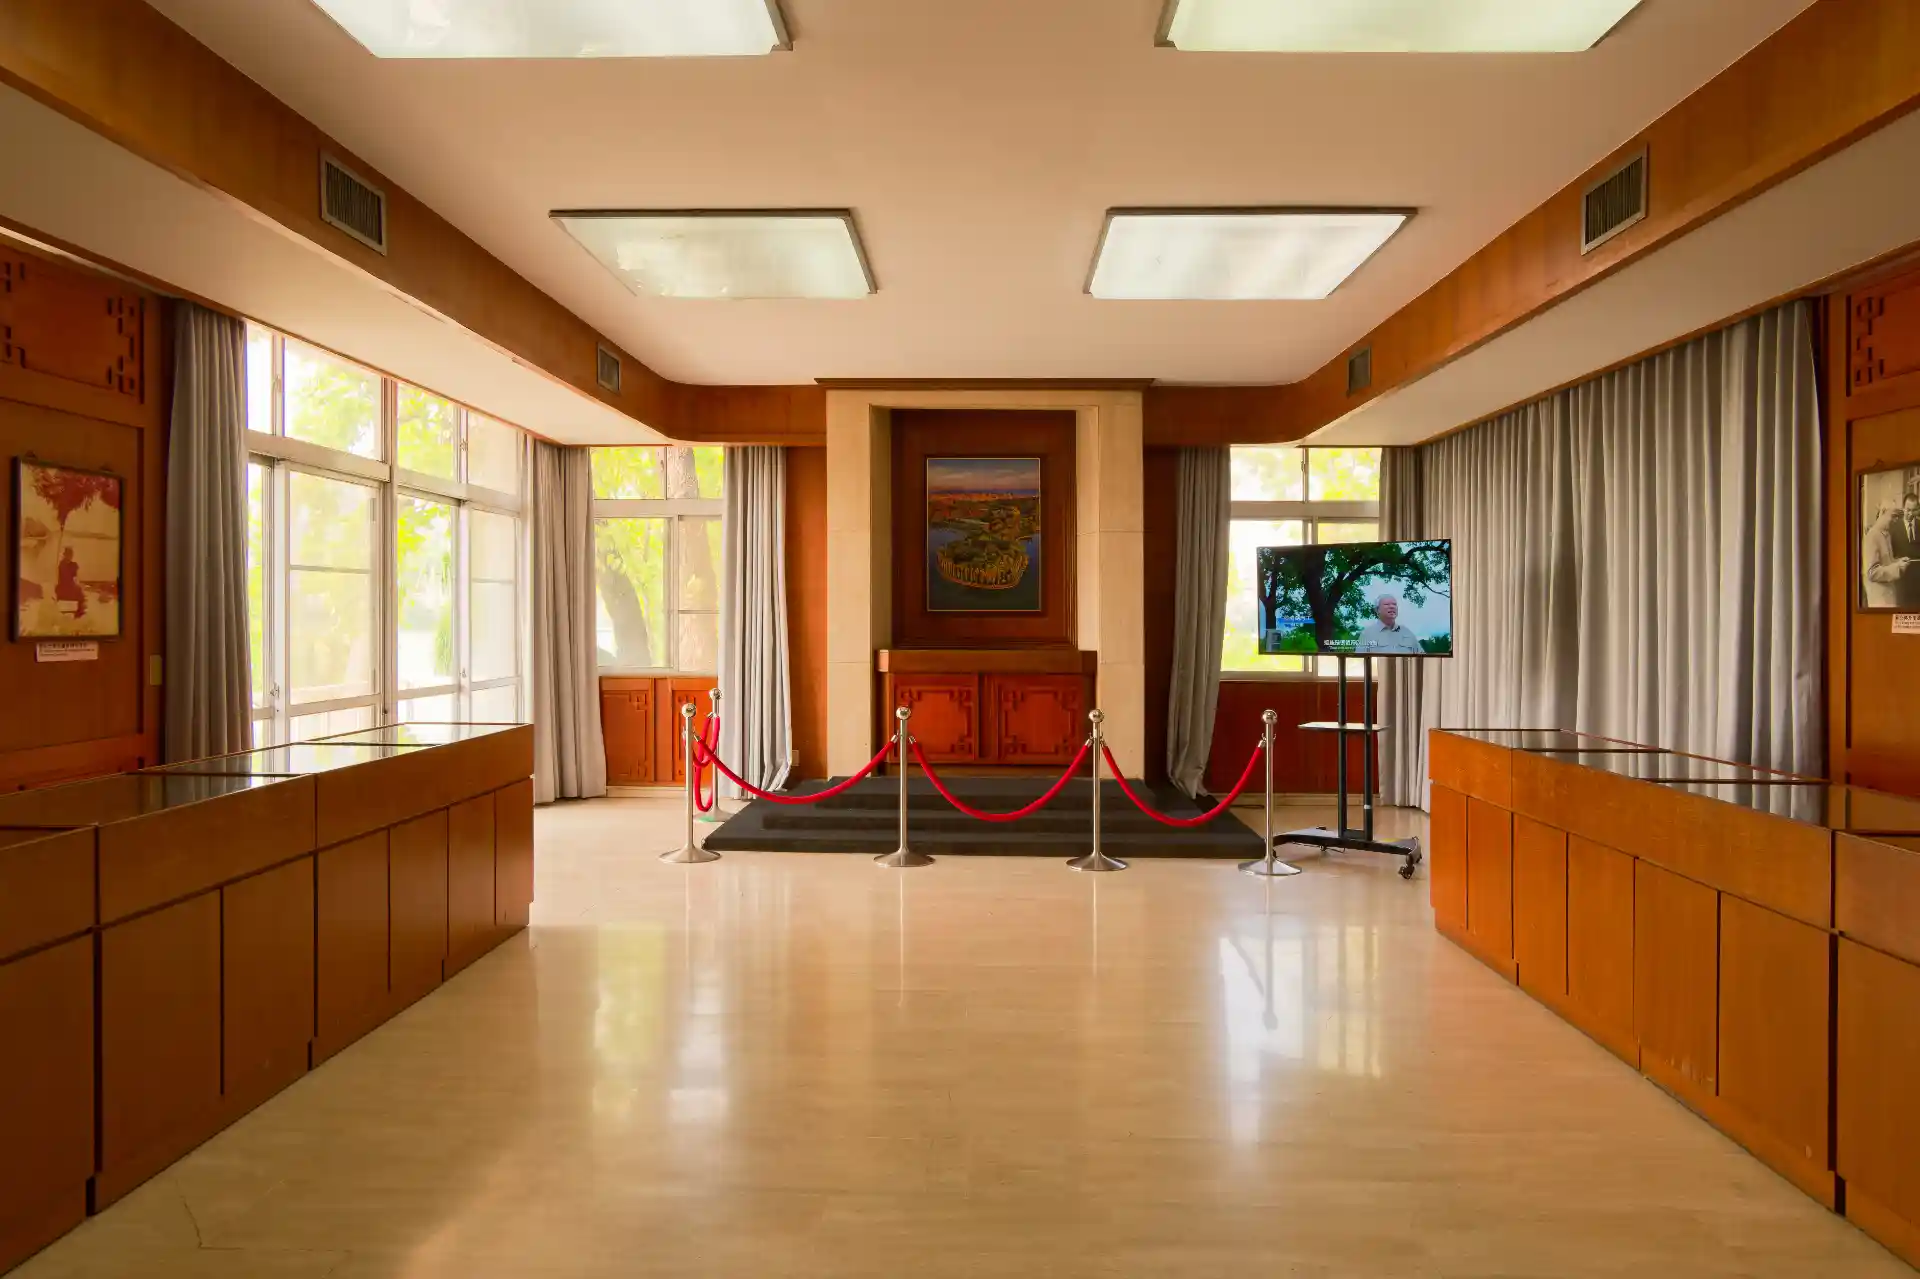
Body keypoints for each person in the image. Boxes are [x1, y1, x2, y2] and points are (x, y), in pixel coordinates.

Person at [1867, 489, 1920, 609]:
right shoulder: (1883, 532)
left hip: (1917, 585)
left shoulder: (1883, 533)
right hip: (1897, 586)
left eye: (1914, 510)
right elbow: (1873, 572)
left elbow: (1888, 559)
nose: (1910, 514)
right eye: (1908, 510)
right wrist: (1898, 566)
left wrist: (1898, 562)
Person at [1354, 594, 1423, 655]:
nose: (1392, 607)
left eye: (1394, 604)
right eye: (1387, 604)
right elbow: (1359, 661)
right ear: (1377, 610)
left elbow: (1423, 657)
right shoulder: (1367, 633)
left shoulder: (1407, 633)